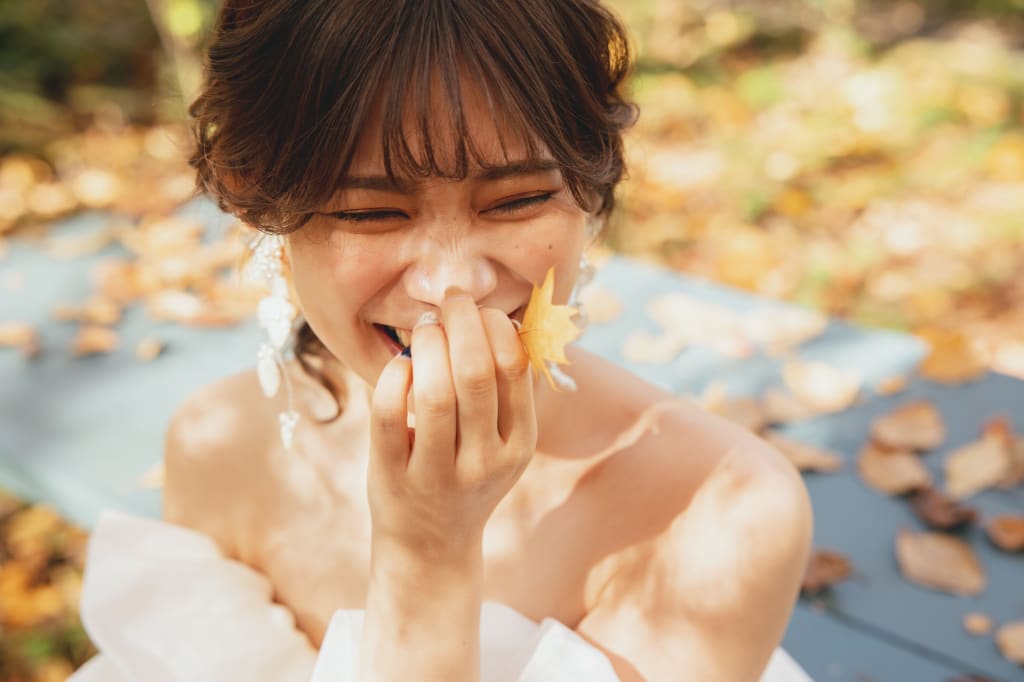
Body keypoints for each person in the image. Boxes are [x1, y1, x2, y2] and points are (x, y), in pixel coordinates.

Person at [71, 0, 815, 680]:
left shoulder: (721, 511)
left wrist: (429, 550)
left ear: (587, 191)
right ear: (260, 204)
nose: (453, 284)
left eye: (518, 200)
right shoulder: (219, 445)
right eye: (371, 213)